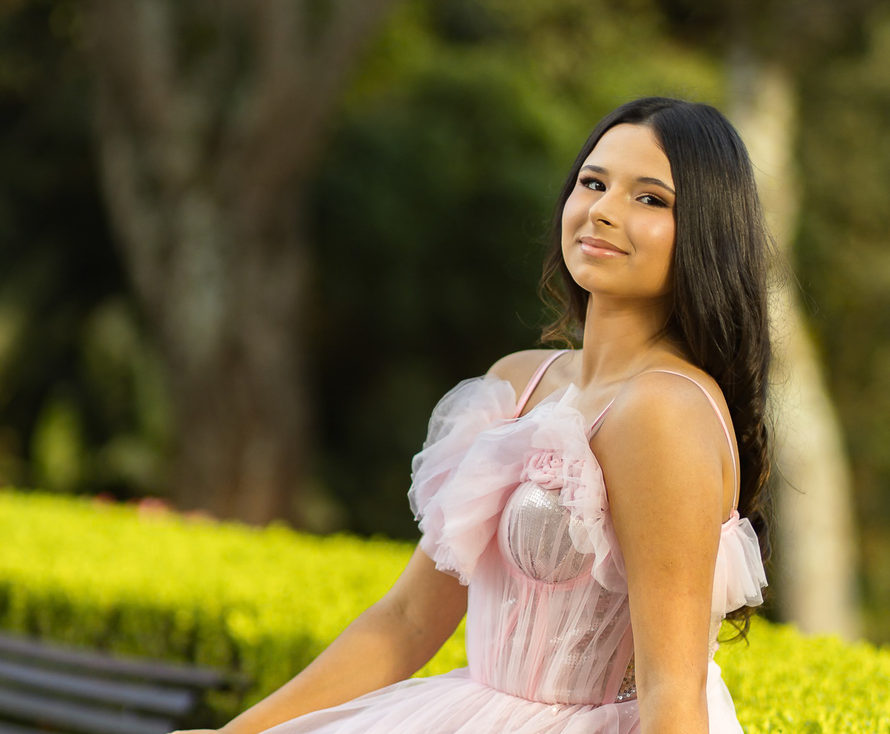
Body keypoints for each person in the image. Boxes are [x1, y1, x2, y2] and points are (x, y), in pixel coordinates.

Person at [173, 96, 775, 734]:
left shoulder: (665, 412)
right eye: (593, 183)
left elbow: (671, 693)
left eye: (650, 199)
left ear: (706, 233)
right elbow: (408, 620)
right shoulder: (518, 382)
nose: (602, 210)